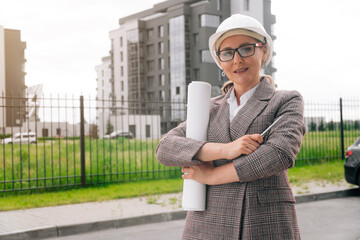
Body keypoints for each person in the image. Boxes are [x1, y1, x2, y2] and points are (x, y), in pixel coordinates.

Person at [156, 14, 305, 240]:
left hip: (262, 220)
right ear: (219, 60)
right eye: (227, 53)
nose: (237, 60)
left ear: (263, 51)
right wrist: (226, 150)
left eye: (246, 48)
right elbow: (165, 148)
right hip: (208, 220)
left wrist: (213, 176)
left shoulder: (285, 100)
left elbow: (279, 154)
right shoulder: (208, 108)